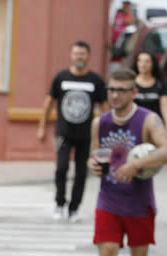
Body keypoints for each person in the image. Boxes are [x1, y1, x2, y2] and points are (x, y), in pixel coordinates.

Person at [84, 68, 167, 256]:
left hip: (139, 203)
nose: (114, 94)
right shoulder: (99, 123)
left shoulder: (148, 120)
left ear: (133, 92)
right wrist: (93, 164)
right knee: (106, 254)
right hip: (108, 200)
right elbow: (95, 155)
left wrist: (136, 165)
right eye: (111, 89)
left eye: (121, 90)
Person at [38, 40, 108, 223]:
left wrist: (104, 129)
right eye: (76, 53)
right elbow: (48, 103)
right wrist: (42, 127)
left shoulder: (95, 80)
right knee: (61, 168)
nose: (79, 57)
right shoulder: (61, 78)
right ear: (71, 55)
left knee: (81, 173)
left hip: (86, 135)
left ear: (88, 56)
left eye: (82, 53)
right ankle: (60, 204)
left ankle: (74, 208)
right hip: (63, 132)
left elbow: (105, 107)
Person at [132, 50, 167, 135]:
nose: (143, 64)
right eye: (140, 61)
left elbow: (165, 105)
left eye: (147, 61)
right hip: (134, 125)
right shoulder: (130, 84)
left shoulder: (160, 84)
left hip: (155, 126)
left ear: (153, 64)